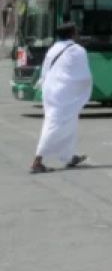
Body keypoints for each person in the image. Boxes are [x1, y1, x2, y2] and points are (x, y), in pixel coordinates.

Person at [29, 22, 92, 175]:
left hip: (51, 90)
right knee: (54, 123)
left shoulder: (53, 48)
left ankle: (68, 157)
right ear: (72, 34)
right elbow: (82, 74)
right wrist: (85, 87)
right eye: (76, 32)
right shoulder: (77, 50)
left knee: (69, 122)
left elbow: (45, 71)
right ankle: (37, 161)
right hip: (64, 93)